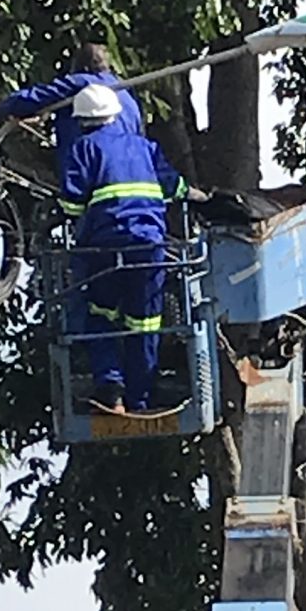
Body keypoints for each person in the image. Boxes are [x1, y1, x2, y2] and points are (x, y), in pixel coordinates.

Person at [65, 81, 187, 414]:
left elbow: (73, 202)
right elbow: (174, 186)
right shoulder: (145, 147)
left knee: (100, 315)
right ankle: (140, 400)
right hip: (149, 248)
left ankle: (111, 389)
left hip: (103, 249)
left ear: (83, 120)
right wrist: (189, 191)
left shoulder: (84, 148)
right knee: (145, 324)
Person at [0, 39, 143, 191]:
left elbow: (36, 98)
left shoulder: (82, 83)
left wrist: (1, 107)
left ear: (81, 66)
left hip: (90, 173)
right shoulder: (127, 95)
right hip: (132, 175)